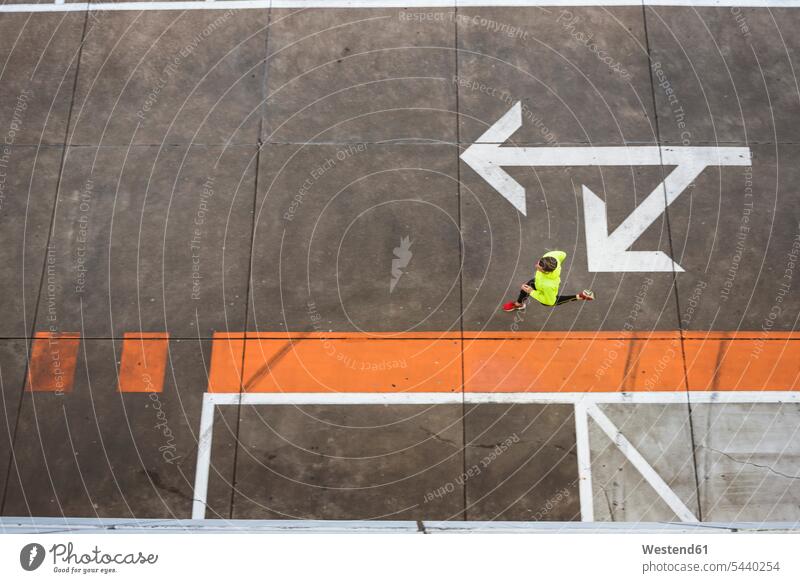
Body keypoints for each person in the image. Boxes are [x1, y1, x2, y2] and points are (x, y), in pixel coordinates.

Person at [502, 250, 594, 312]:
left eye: (539, 267)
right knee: (525, 288)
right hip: (539, 281)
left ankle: (579, 296)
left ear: (546, 271)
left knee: (553, 301)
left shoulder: (548, 285)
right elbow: (563, 254)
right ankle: (519, 304)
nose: (536, 265)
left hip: (546, 289)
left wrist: (532, 292)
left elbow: (548, 302)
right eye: (539, 262)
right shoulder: (550, 257)